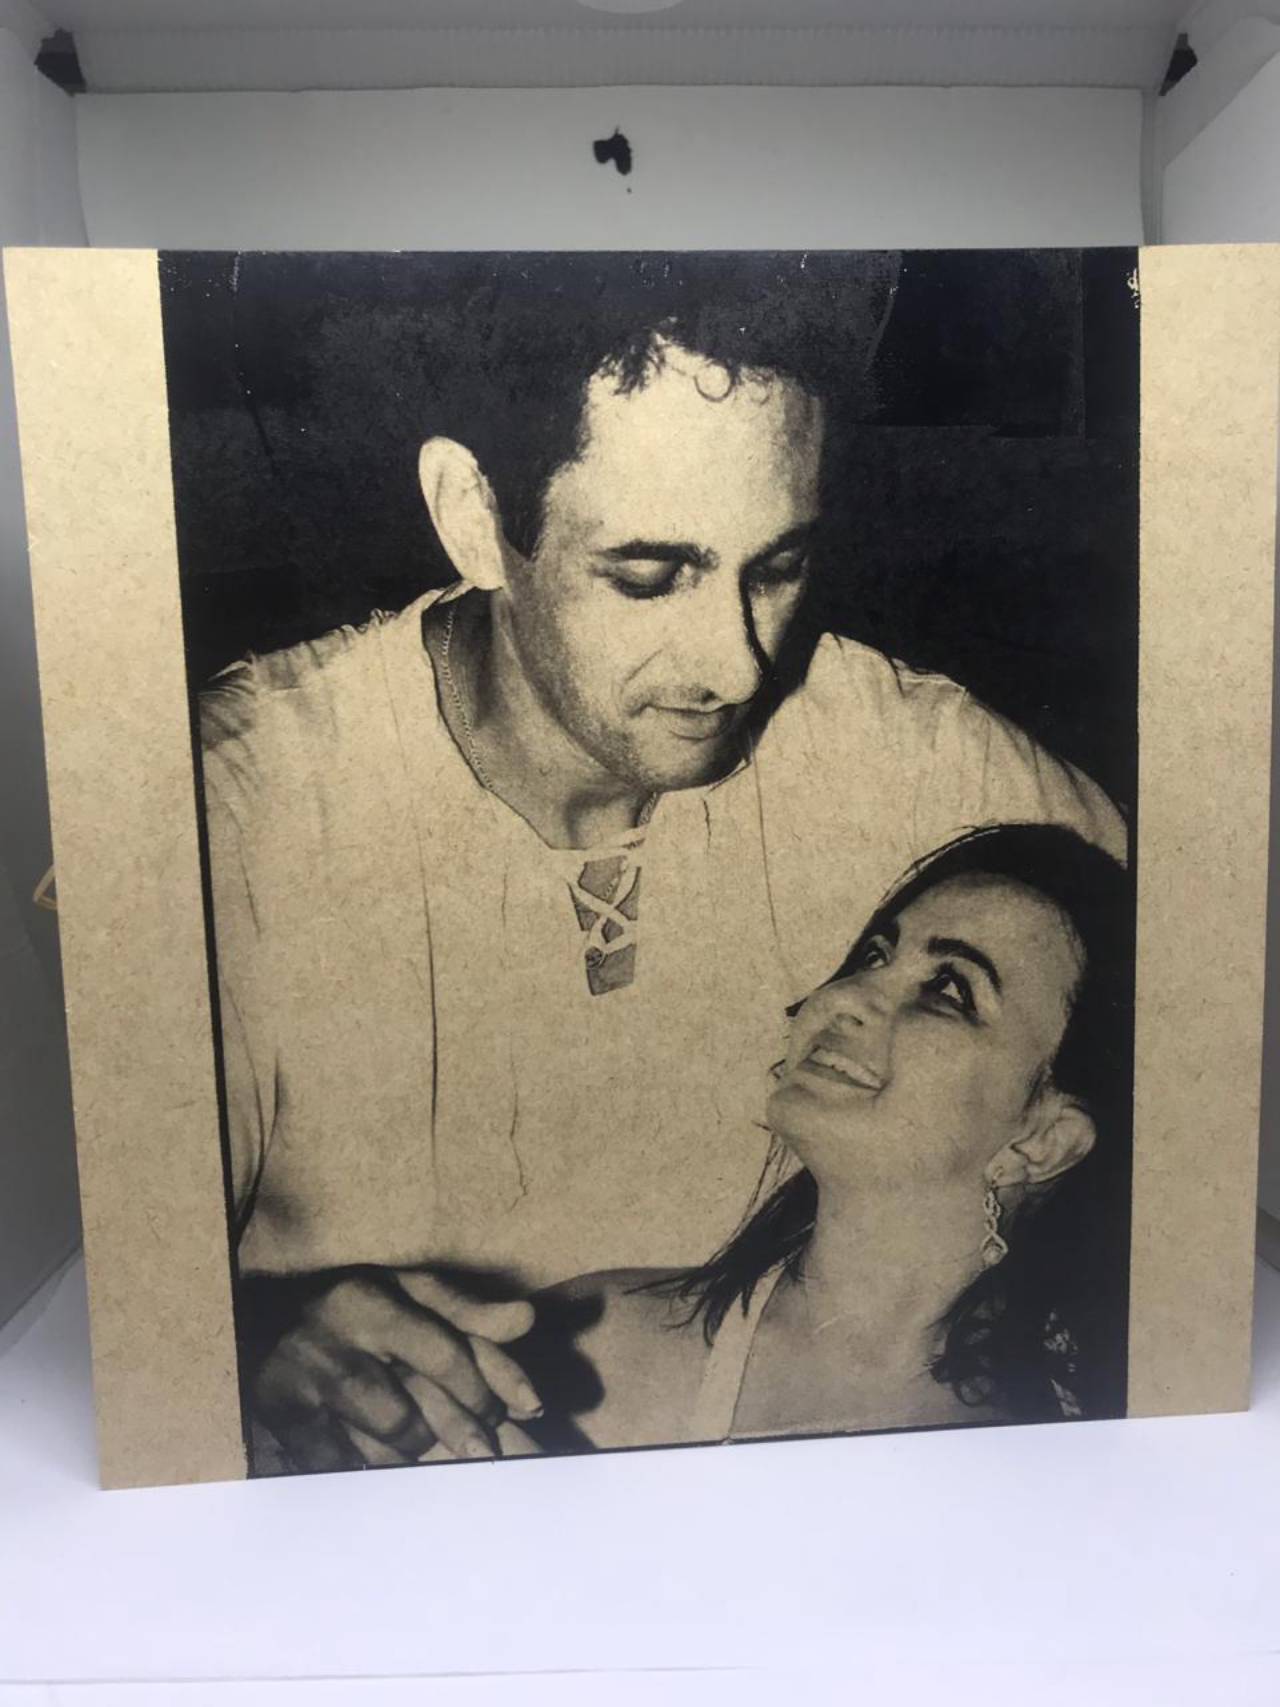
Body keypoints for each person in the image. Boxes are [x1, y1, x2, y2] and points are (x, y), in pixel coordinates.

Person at [200, 255, 1127, 1471]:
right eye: (648, 576)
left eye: (776, 568)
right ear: (473, 516)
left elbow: (1201, 1064)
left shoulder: (915, 757)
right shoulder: (232, 817)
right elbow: (98, 1307)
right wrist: (246, 1341)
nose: (737, 667)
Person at [525, 825, 1133, 1451]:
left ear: (1043, 1141)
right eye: (875, 957)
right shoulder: (588, 1353)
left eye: (948, 988)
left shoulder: (1090, 1443)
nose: (845, 997)